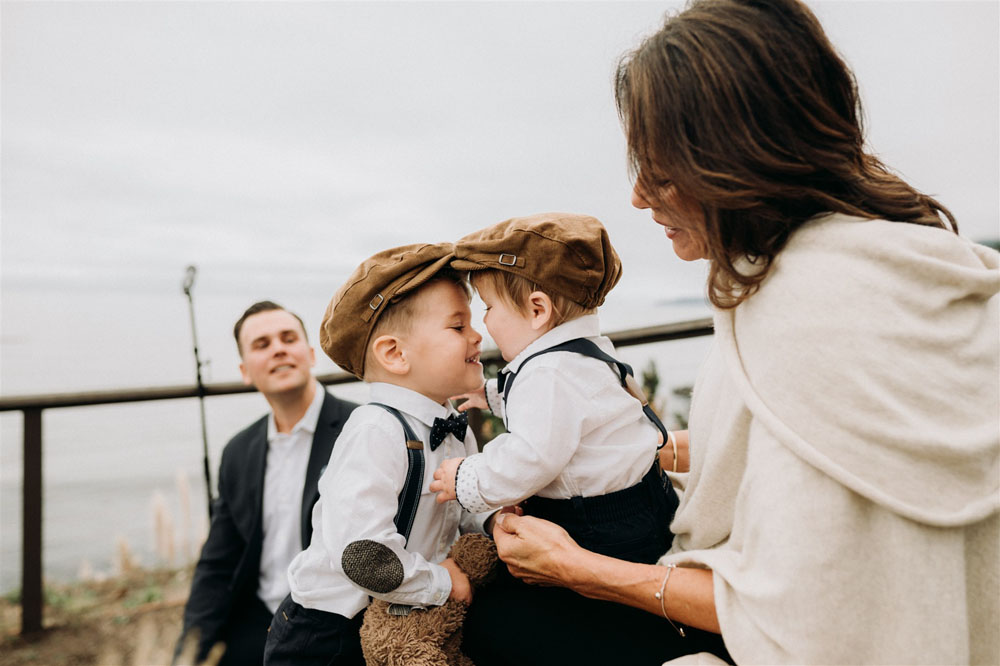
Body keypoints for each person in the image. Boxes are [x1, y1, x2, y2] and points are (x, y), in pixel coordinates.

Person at [465, 0, 1000, 664]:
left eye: (658, 168)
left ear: (731, 157)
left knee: (496, 626)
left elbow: (799, 616)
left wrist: (577, 568)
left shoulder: (805, 311)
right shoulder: (904, 262)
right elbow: (809, 438)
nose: (637, 197)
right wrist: (626, 448)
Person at [263, 243, 497, 666]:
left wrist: (494, 518)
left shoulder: (452, 426)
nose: (477, 336)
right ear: (395, 354)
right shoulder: (376, 430)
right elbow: (365, 556)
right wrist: (442, 581)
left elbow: (464, 509)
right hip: (327, 634)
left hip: (402, 613)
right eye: (458, 326)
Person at [430, 212, 679, 564]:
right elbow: (565, 410)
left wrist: (466, 477)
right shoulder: (582, 352)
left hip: (599, 527)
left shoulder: (548, 373)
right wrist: (491, 396)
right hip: (644, 501)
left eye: (488, 307)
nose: (484, 321)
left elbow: (529, 459)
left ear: (537, 310)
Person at [175, 301, 358, 665]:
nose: (278, 348)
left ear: (309, 354)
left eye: (288, 338)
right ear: (245, 371)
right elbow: (218, 562)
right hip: (258, 621)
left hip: (337, 624)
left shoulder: (361, 429)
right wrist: (187, 651)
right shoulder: (239, 452)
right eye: (261, 344)